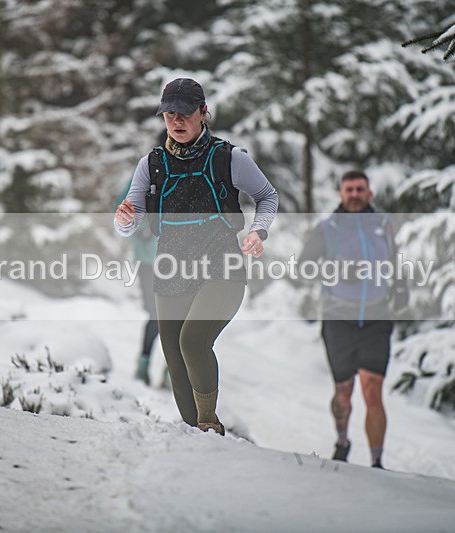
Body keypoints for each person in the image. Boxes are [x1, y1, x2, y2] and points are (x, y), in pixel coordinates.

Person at [114, 78, 278, 435]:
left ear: (203, 112)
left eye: (185, 112)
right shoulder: (152, 164)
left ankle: (208, 423)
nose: (176, 120)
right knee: (174, 355)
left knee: (192, 341)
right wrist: (124, 219)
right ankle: (195, 435)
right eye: (169, 113)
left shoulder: (229, 157)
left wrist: (257, 230)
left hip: (222, 265)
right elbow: (131, 220)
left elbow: (267, 196)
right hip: (171, 265)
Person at [298, 170, 407, 468]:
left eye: (360, 189)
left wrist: (400, 287)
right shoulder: (328, 228)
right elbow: (303, 267)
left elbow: (394, 259)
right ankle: (343, 440)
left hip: (376, 318)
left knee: (373, 389)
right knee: (343, 391)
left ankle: (376, 461)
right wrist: (334, 273)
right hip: (338, 320)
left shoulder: (383, 224)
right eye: (349, 190)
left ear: (369, 192)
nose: (355, 195)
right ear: (341, 194)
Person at [115, 158, 169, 388]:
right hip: (148, 259)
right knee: (156, 314)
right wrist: (141, 229)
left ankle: (172, 369)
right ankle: (144, 363)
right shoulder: (144, 174)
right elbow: (122, 209)